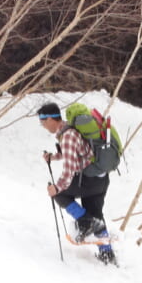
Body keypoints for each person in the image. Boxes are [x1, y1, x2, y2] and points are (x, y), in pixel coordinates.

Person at [38, 102, 116, 264]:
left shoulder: (67, 136)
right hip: (100, 179)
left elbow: (68, 170)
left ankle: (87, 223)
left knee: (60, 194)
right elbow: (77, 153)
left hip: (88, 180)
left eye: (43, 122)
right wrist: (53, 157)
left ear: (51, 119)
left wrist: (56, 188)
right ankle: (107, 255)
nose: (43, 126)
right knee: (96, 216)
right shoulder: (69, 130)